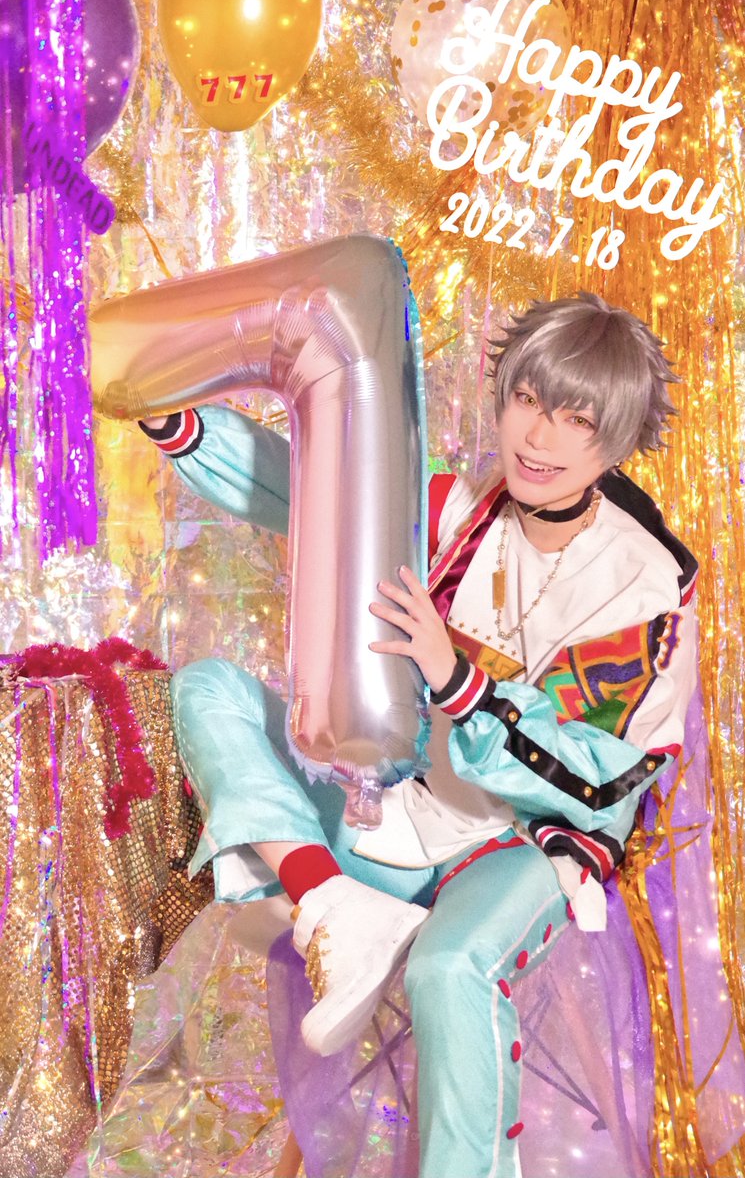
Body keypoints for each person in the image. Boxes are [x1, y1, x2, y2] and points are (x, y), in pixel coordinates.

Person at [140, 292, 697, 1178]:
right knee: (210, 689)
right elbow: (313, 489)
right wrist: (179, 425)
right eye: (527, 400)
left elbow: (595, 782)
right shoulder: (461, 509)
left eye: (576, 420)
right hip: (398, 812)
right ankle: (329, 902)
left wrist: (457, 680)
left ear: (618, 439)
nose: (537, 437)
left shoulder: (643, 583)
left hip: (519, 845)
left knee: (448, 970)